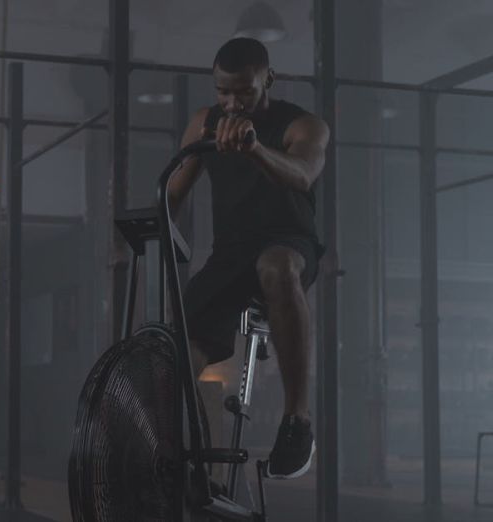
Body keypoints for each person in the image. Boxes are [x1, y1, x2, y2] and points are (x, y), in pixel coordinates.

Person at [168, 37, 330, 479]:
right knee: (183, 341)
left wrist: (254, 147)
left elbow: (302, 175)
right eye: (223, 91)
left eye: (244, 91)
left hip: (289, 243)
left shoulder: (304, 126)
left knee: (274, 266)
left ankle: (298, 421)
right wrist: (131, 237)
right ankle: (173, 445)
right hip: (231, 252)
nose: (232, 101)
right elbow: (172, 194)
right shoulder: (205, 122)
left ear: (268, 80)